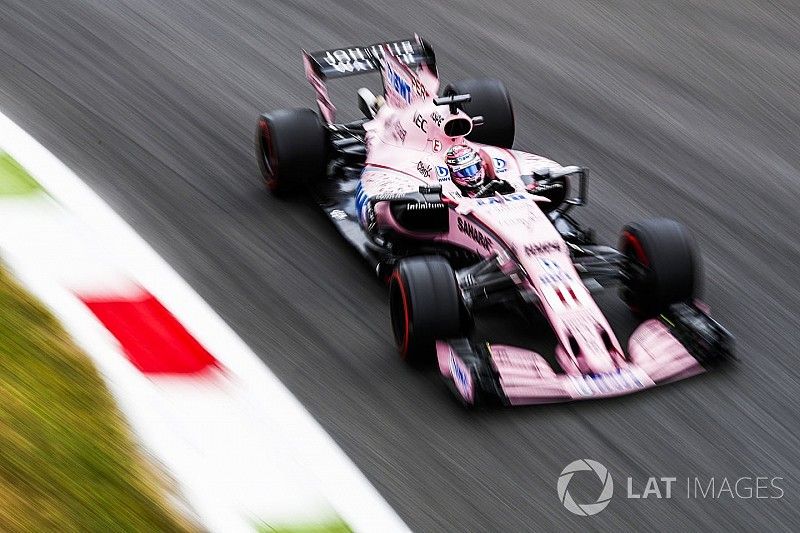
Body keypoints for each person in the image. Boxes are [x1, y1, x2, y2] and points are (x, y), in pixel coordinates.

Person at [445, 144, 514, 197]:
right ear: (452, 173)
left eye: (473, 168)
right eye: (463, 172)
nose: (472, 175)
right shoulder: (453, 189)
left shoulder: (494, 182)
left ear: (481, 164)